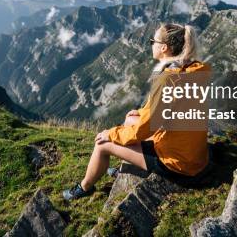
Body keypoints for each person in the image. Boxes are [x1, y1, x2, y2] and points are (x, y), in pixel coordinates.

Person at [63, 23, 211, 200]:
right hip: (193, 153)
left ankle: (84, 187)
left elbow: (143, 129)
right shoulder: (193, 70)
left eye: (152, 41)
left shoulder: (169, 80)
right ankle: (125, 167)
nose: (151, 44)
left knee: (101, 145)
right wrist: (140, 114)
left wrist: (111, 133)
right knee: (131, 119)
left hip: (180, 166)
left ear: (164, 47)